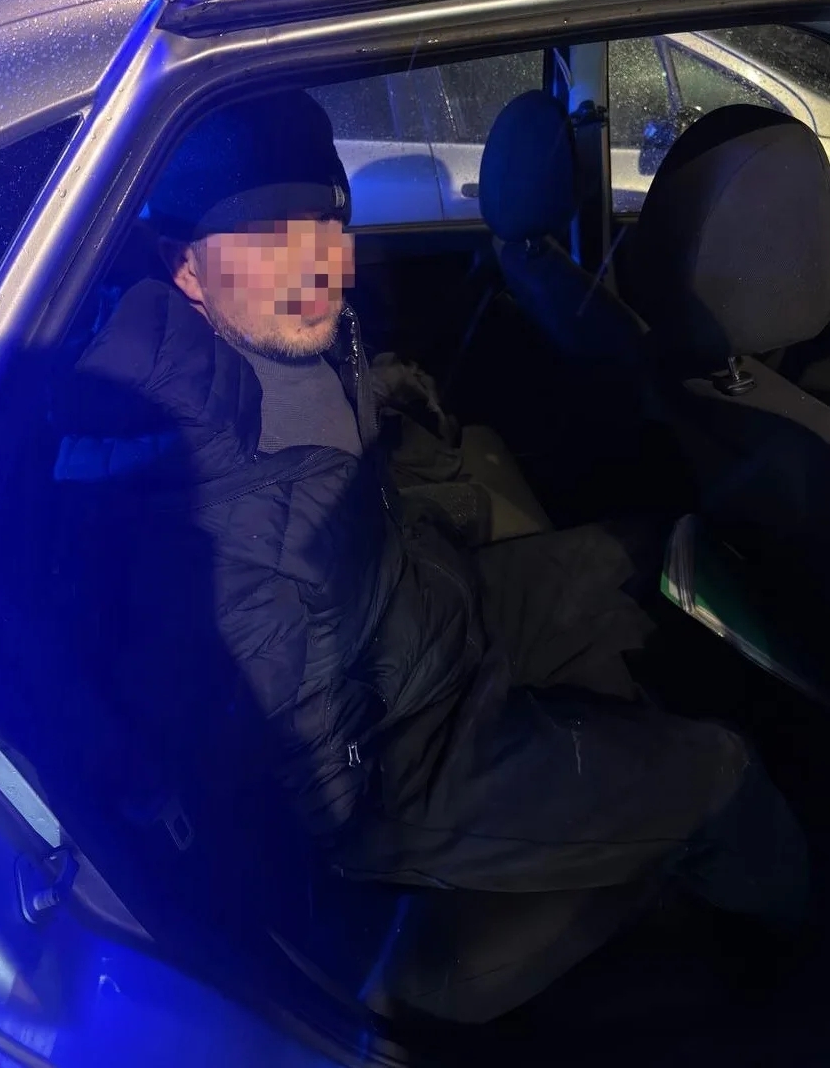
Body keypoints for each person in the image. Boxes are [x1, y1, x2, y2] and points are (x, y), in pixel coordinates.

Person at [54, 91, 806, 1011]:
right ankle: (802, 965)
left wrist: (397, 427)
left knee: (647, 551)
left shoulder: (274, 332)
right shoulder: (189, 513)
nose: (323, 264)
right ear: (186, 268)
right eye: (273, 236)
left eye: (328, 223)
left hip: (419, 614)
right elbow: (307, 776)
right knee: (719, 774)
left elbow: (325, 478)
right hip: (404, 769)